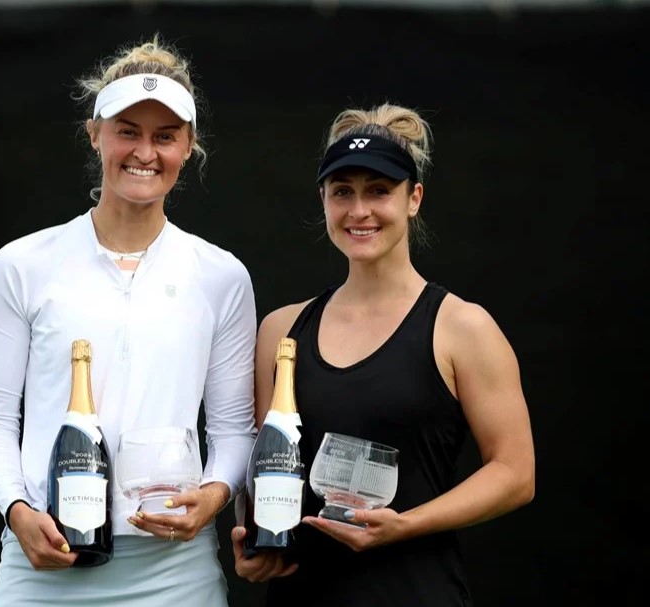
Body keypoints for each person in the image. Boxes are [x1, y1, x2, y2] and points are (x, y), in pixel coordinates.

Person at [0, 34, 258, 606]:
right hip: (42, 566)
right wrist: (17, 509)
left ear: (188, 146)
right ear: (94, 133)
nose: (144, 152)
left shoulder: (222, 276)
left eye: (164, 136)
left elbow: (233, 430)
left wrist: (217, 494)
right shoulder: (22, 264)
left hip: (176, 572)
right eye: (128, 131)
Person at [230, 103, 536, 605]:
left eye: (378, 190)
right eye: (342, 192)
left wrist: (405, 526)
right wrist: (253, 535)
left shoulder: (461, 327)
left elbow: (515, 473)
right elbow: (267, 471)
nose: (359, 210)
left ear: (414, 197)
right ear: (323, 200)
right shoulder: (282, 331)